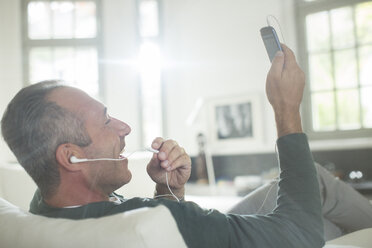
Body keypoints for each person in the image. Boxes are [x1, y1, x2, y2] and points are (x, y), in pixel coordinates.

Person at [1, 45, 325, 247]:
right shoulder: (168, 218)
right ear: (71, 156)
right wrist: (287, 109)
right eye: (106, 121)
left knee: (314, 184)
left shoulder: (45, 206)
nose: (125, 127)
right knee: (322, 188)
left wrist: (168, 189)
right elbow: (303, 232)